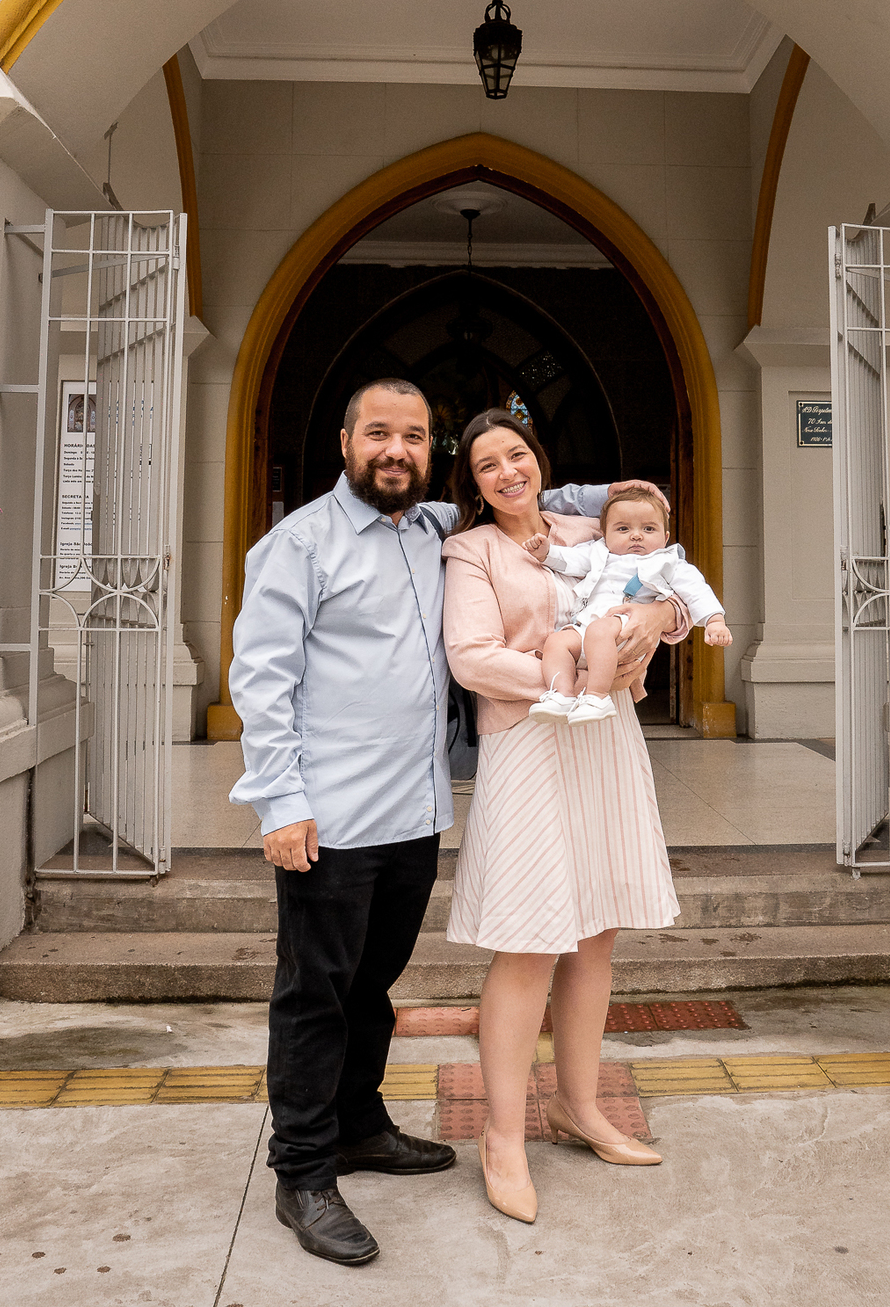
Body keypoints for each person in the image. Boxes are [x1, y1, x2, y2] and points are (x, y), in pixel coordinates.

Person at [228, 379, 672, 1267]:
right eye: (379, 434)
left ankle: (360, 1127)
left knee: (371, 983)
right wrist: (280, 802)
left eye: (415, 437)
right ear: (346, 442)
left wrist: (663, 606)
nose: (396, 450)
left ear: (431, 458)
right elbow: (262, 677)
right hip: (330, 810)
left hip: (413, 806)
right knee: (314, 989)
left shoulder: (432, 526)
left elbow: (595, 505)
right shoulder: (299, 543)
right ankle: (304, 1172)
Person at [441, 409, 697, 1226]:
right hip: (527, 742)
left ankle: (578, 1108)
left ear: (539, 459)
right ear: (473, 483)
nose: (508, 472)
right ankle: (503, 1134)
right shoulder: (470, 551)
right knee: (527, 941)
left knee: (597, 934)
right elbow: (471, 657)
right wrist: (563, 682)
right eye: (488, 465)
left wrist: (658, 620)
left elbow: (665, 583)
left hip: (607, 742)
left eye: (517, 455)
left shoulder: (587, 527)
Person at [524, 486, 732, 724]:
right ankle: (561, 695)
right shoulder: (598, 552)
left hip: (626, 626)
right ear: (605, 534)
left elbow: (696, 589)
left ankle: (597, 696)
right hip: (587, 627)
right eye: (623, 528)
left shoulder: (667, 561)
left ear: (665, 537)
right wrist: (546, 552)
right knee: (557, 641)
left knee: (600, 630)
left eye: (648, 528)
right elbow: (569, 560)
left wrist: (714, 620)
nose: (636, 535)